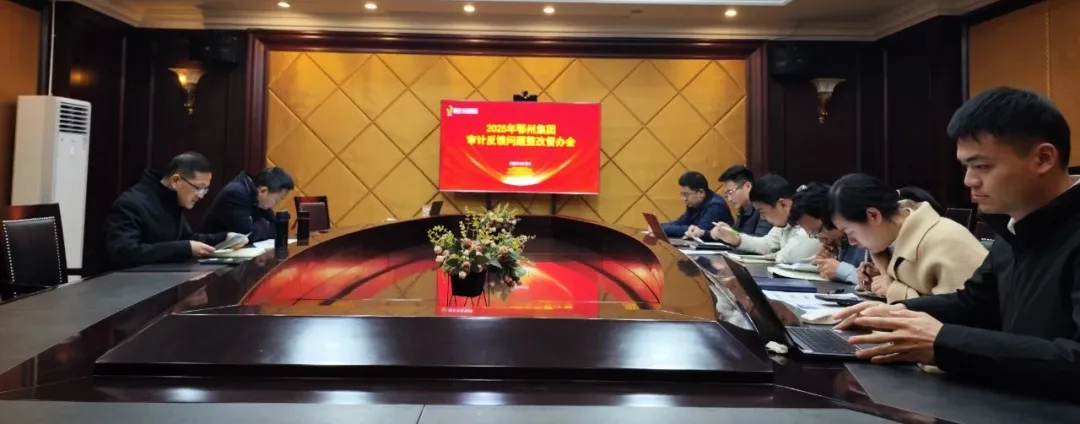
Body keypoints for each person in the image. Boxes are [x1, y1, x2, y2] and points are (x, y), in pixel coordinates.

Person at [833, 87, 1080, 389]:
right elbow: (974, 304)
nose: (969, 180)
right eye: (966, 166)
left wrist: (941, 342)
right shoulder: (1014, 226)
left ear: (1043, 158)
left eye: (982, 166)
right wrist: (897, 313)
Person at [827, 173, 986, 302]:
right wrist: (876, 283)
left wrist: (894, 290)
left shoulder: (947, 241)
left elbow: (960, 314)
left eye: (850, 232)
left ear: (873, 215)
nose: (852, 242)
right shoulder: (888, 243)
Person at [105, 152, 247, 269]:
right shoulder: (131, 203)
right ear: (176, 181)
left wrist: (224, 238)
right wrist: (185, 249)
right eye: (199, 188)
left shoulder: (172, 202)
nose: (201, 196)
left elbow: (185, 239)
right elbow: (123, 253)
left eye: (205, 190)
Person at [709, 174, 818, 264]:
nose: (762, 217)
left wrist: (772, 256)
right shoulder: (783, 222)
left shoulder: (808, 220)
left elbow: (789, 256)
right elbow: (767, 244)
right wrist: (737, 239)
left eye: (762, 211)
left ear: (783, 204)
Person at [788, 182, 865, 283]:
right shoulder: (841, 242)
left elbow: (880, 283)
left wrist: (842, 270)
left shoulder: (866, 235)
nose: (820, 240)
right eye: (813, 235)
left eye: (818, 232)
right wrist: (828, 264)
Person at [202, 167, 295, 242]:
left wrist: (261, 225)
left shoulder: (257, 196)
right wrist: (264, 223)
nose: (277, 204)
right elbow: (247, 234)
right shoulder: (236, 194)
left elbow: (276, 228)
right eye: (277, 199)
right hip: (210, 253)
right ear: (263, 190)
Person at [660, 171, 733, 241]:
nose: (684, 199)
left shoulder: (716, 206)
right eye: (682, 195)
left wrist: (662, 229)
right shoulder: (694, 204)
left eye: (686, 195)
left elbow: (696, 231)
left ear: (701, 193)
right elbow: (680, 223)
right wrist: (659, 227)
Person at [718, 166, 772, 237]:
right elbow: (736, 234)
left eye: (730, 192)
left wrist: (731, 233)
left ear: (747, 186)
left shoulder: (763, 207)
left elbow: (761, 239)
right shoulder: (743, 209)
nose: (729, 199)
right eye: (726, 195)